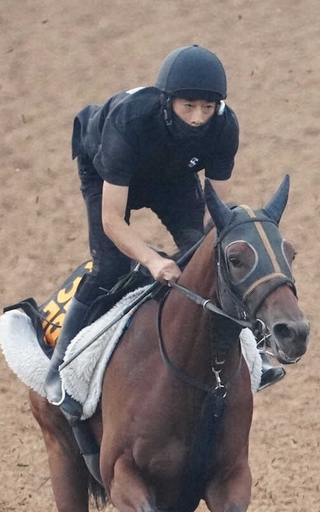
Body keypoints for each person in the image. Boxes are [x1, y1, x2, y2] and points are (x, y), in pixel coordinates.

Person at [45, 45, 284, 417]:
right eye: (188, 106)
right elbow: (112, 221)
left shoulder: (224, 127)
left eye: (208, 107)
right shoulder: (130, 121)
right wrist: (154, 261)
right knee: (110, 266)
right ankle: (61, 365)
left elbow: (214, 218)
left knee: (207, 253)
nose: (197, 117)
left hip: (170, 177)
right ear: (167, 100)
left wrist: (205, 250)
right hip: (107, 172)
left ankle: (255, 351)